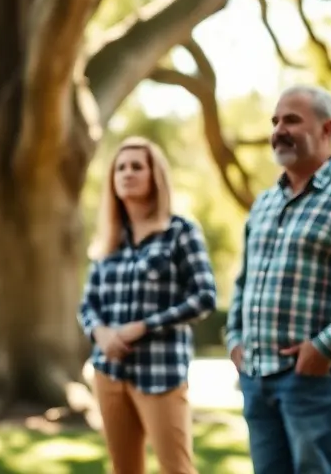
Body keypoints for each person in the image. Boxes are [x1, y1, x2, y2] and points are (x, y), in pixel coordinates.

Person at [223, 84, 331, 474]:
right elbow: (243, 281)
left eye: (291, 120)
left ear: (327, 129)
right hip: (256, 379)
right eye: (275, 121)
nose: (278, 129)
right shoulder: (264, 202)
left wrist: (323, 348)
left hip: (317, 381)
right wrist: (234, 340)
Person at [77, 136, 218, 474]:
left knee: (177, 469)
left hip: (161, 374)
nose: (127, 172)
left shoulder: (180, 231)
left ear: (155, 175)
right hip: (109, 373)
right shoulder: (109, 241)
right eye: (120, 167)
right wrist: (101, 334)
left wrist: (143, 326)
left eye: (137, 166)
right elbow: (87, 305)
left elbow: (204, 297)